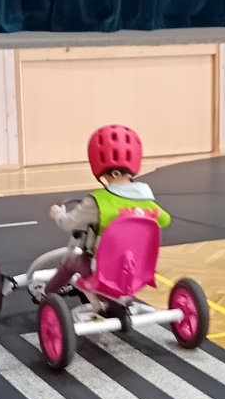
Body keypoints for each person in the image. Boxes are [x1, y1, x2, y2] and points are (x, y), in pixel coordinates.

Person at [32, 125, 171, 298]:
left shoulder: (97, 202)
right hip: (136, 273)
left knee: (71, 262)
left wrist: (58, 213)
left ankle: (46, 294)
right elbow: (165, 220)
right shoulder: (149, 203)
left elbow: (69, 223)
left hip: (101, 273)